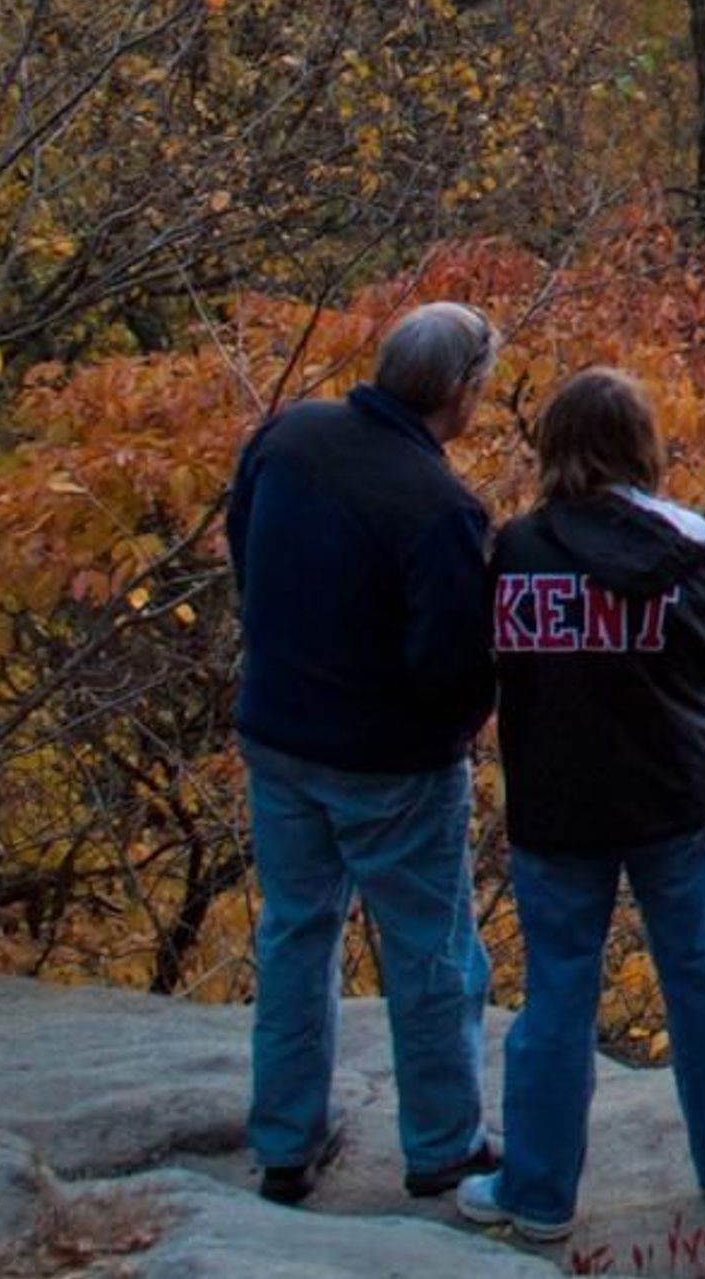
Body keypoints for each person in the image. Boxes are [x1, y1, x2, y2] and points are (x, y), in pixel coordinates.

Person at [454, 367, 705, 1246]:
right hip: (674, 796)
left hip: (559, 802)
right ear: (643, 444)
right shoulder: (687, 541)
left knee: (556, 997)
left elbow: (491, 662)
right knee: (700, 979)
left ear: (552, 444)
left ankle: (540, 1193)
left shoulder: (515, 548)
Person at [223, 300, 503, 1206]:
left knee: (294, 936)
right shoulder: (439, 506)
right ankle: (441, 1147)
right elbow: (452, 660)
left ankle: (283, 1145)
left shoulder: (290, 437)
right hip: (392, 763)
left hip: (278, 732)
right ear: (460, 391)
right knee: (429, 953)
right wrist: (458, 729)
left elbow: (245, 547)